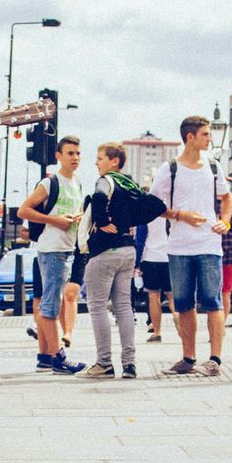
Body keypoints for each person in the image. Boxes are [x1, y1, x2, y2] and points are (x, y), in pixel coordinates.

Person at [150, 115, 232, 376]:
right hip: (179, 246)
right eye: (206, 134)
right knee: (184, 303)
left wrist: (226, 221)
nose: (210, 138)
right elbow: (153, 206)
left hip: (209, 244)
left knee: (213, 301)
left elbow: (227, 198)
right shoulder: (169, 169)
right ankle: (188, 357)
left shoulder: (214, 167)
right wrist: (179, 215)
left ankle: (215, 359)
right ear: (190, 137)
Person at [17, 136, 86, 375]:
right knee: (49, 305)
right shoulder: (50, 183)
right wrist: (54, 221)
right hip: (52, 250)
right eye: (70, 153)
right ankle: (58, 358)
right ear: (59, 156)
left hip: (66, 249)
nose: (75, 158)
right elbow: (23, 210)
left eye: (78, 153)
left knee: (52, 303)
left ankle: (45, 358)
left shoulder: (76, 183)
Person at [80, 142, 139, 379]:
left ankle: (104, 363)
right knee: (124, 307)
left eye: (100, 158)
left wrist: (102, 221)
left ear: (114, 161)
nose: (97, 163)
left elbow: (99, 197)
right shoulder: (130, 184)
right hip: (128, 250)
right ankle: (130, 364)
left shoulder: (107, 180)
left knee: (97, 306)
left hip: (105, 251)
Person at [134, 215, 172, 342]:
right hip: (169, 257)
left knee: (153, 296)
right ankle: (179, 321)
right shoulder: (171, 208)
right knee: (172, 296)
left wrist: (137, 262)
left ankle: (157, 332)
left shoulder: (146, 211)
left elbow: (140, 240)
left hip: (150, 257)